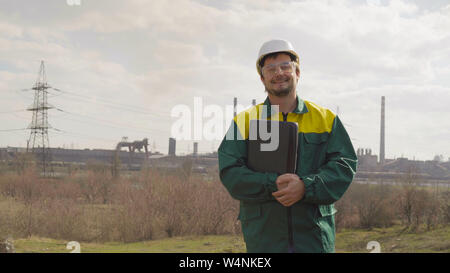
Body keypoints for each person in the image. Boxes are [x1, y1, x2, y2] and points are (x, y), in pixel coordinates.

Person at [218, 39, 357, 253]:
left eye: (285, 66)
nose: (279, 73)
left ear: (297, 72)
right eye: (271, 69)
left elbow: (344, 166)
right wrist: (273, 184)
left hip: (313, 238)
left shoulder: (325, 119)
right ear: (262, 77)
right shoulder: (244, 122)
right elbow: (230, 172)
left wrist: (305, 187)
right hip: (264, 239)